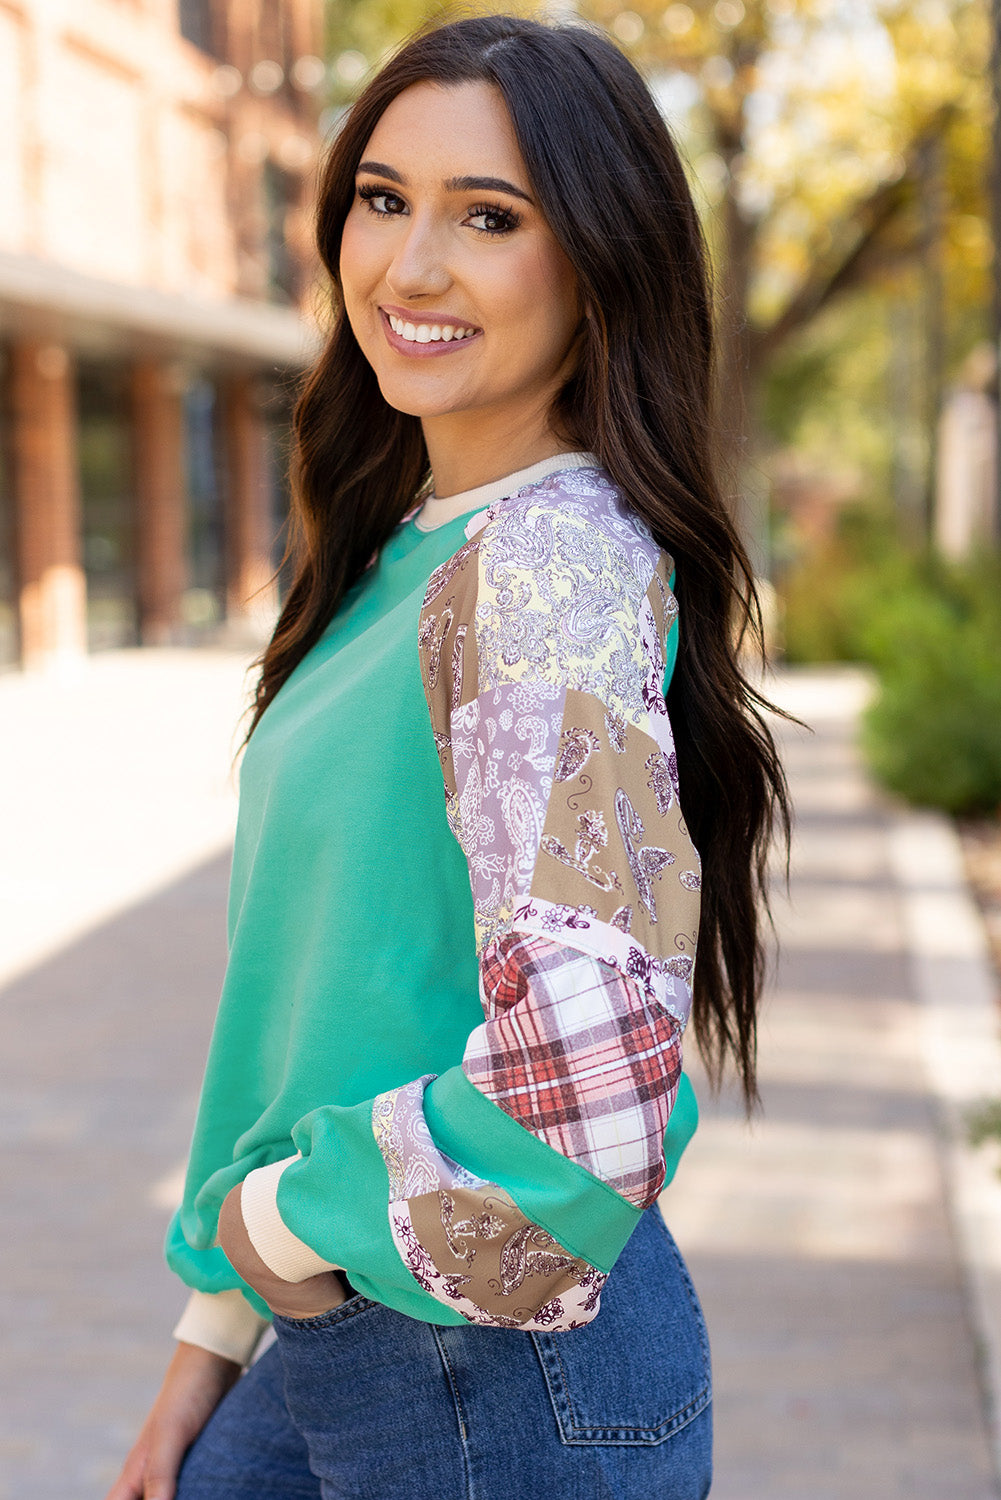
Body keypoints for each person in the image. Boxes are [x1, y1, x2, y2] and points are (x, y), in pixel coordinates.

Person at [108, 14, 789, 1500]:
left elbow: (587, 1096)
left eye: (489, 218)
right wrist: (212, 1332)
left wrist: (274, 1224)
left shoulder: (546, 571)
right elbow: (318, 983)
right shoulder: (411, 553)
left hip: (490, 1367)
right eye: (383, 198)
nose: (411, 266)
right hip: (352, 1328)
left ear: (600, 263)